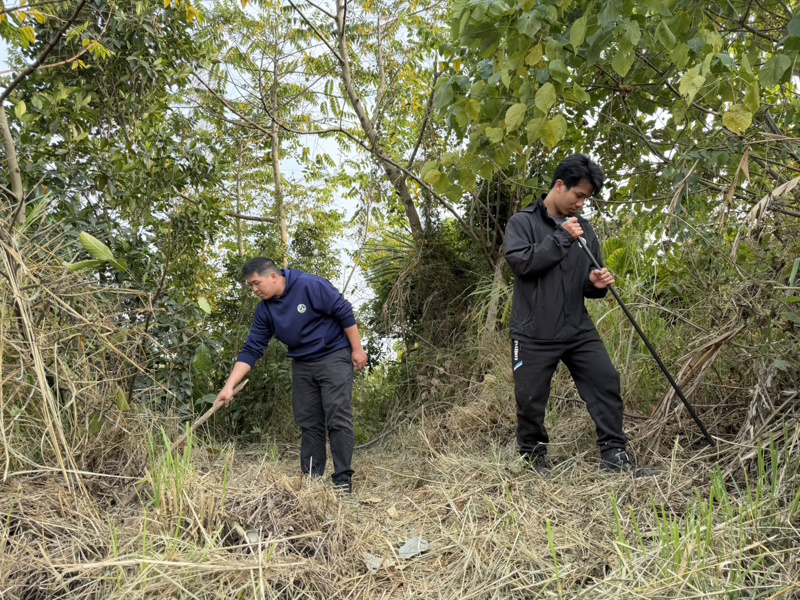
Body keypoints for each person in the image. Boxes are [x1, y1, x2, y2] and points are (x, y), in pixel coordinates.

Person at [504, 154, 652, 476]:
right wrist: (561, 237)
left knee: (606, 380)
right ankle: (533, 459)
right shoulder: (523, 223)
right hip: (533, 331)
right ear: (560, 186)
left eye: (586, 198)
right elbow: (521, 263)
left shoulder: (585, 230)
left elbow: (587, 283)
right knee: (529, 399)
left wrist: (596, 283)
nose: (582, 204)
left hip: (576, 327)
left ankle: (614, 456)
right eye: (579, 195)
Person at [215, 257, 368, 493]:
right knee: (309, 422)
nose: (254, 290)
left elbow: (343, 310)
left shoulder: (309, 285)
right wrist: (229, 386)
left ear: (274, 277)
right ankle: (311, 481)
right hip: (302, 363)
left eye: (257, 283)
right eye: (250, 286)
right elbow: (252, 348)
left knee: (338, 418)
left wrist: (357, 349)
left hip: (334, 355)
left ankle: (342, 480)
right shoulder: (265, 310)